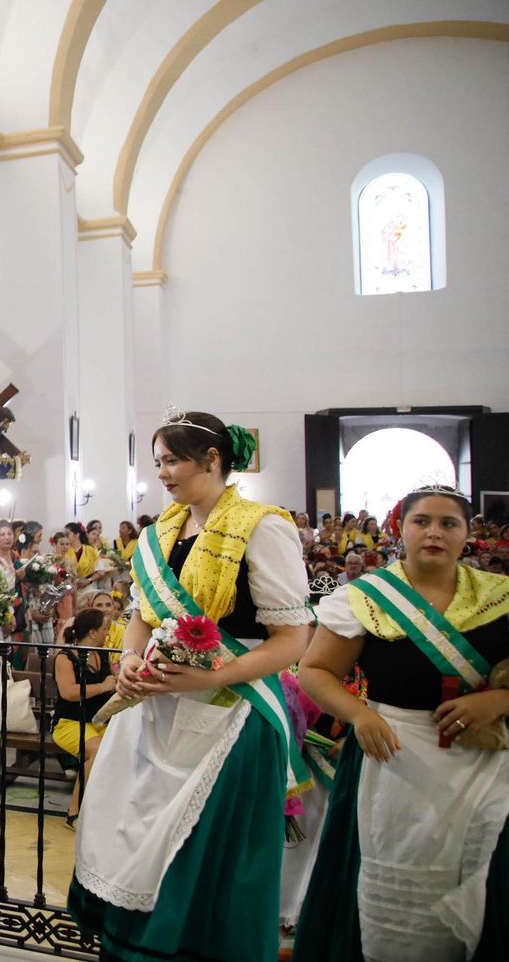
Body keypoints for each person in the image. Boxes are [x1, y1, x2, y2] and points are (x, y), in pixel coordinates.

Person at [69, 408, 313, 962]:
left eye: (173, 460)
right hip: (156, 710)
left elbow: (293, 639)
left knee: (205, 858)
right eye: (158, 462)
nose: (163, 473)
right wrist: (130, 657)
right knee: (134, 838)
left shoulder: (262, 527)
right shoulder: (160, 534)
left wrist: (214, 673)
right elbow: (141, 615)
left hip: (233, 715)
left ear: (213, 460)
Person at [292, 486, 509, 961]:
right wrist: (359, 715)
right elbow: (314, 671)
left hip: (487, 764)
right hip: (391, 756)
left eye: (449, 523)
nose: (434, 532)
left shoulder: (501, 598)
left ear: (468, 535)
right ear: (400, 530)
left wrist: (498, 699)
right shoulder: (366, 598)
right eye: (421, 521)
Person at [54, 606, 116, 827]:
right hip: (69, 723)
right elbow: (68, 692)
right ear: (92, 632)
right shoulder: (66, 657)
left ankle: (104, 808)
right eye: (104, 630)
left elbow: (111, 683)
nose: (107, 634)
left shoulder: (102, 654)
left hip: (97, 721)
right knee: (98, 749)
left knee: (124, 744)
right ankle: (74, 812)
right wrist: (102, 686)